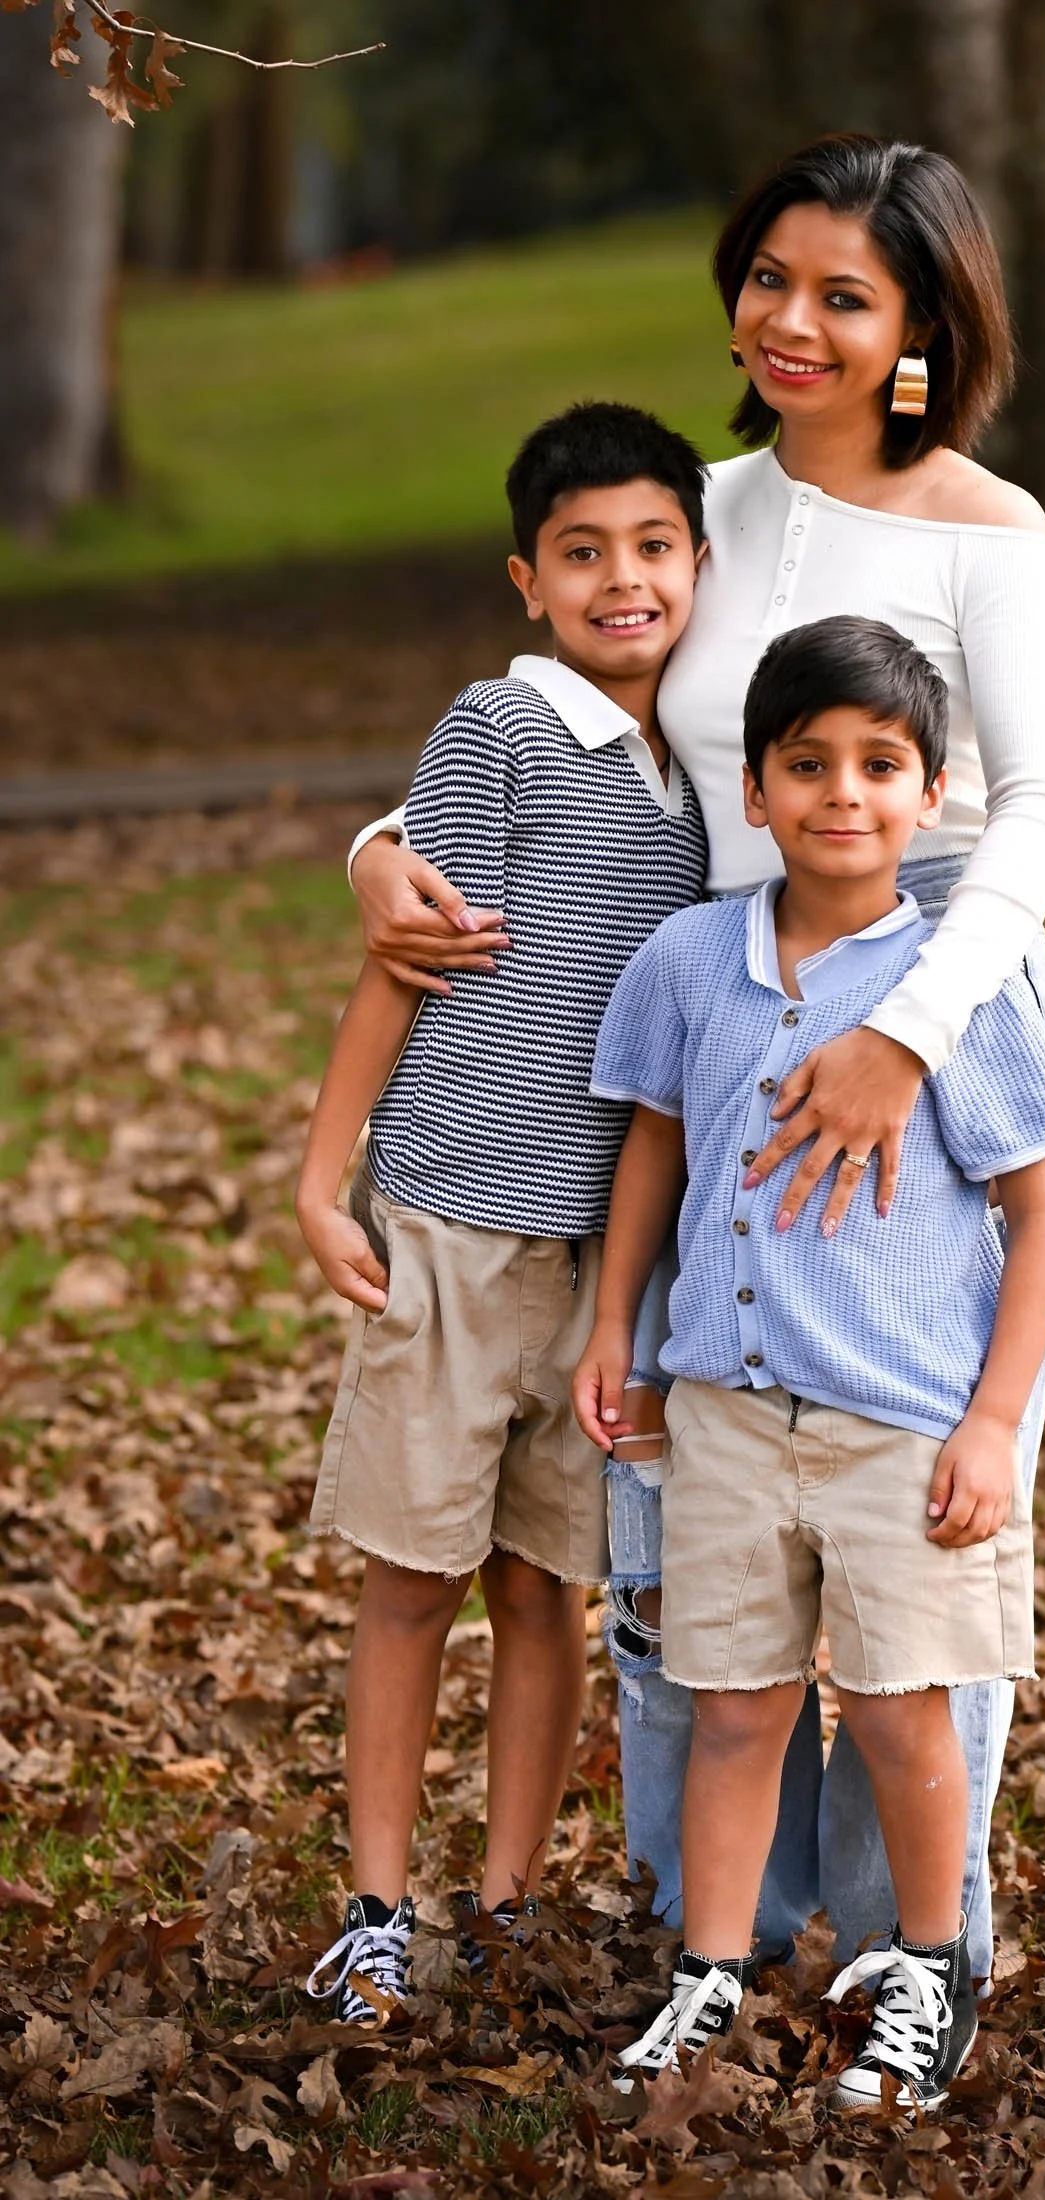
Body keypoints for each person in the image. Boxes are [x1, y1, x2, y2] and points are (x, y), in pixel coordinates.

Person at [344, 134, 1045, 1989]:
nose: (794, 321)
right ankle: (728, 1930)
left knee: (910, 1472)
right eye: (770, 277)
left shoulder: (987, 531)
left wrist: (904, 1050)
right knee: (694, 1477)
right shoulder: (705, 499)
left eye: (846, 294)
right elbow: (579, 712)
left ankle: (913, 1934)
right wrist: (378, 844)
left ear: (923, 323)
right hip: (704, 1014)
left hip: (929, 1007)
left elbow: (1042, 814)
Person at [573, 616, 1045, 2110]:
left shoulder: (953, 984)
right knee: (728, 1701)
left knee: (904, 1704)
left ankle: (929, 1963)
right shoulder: (686, 961)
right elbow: (651, 1148)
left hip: (900, 1418)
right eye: (807, 764)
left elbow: (1040, 1212)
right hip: (723, 1407)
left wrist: (992, 1424)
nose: (841, 794)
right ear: (755, 787)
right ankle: (708, 1976)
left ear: (929, 797)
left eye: (877, 765)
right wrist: (618, 1328)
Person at [295, 401, 709, 2023]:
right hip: (456, 1228)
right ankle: (377, 1907)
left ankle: (511, 1900)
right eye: (584, 553)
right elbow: (402, 960)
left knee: (547, 1588)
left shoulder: (704, 777)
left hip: (605, 1255)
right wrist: (322, 1179)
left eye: (655, 546)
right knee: (413, 1574)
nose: (624, 580)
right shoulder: (499, 728)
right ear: (526, 579)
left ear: (696, 560)